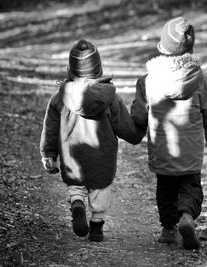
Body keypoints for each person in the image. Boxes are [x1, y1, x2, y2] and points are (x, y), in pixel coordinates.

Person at [131, 17, 207, 250]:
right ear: (190, 49)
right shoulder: (202, 82)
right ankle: (187, 217)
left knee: (166, 188)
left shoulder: (147, 82)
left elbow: (140, 116)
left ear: (162, 49)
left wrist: (133, 130)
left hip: (162, 151)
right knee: (190, 187)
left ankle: (168, 229)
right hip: (190, 153)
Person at [40, 39, 144, 242]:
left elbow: (51, 128)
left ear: (71, 69)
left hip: (72, 159)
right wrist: (139, 128)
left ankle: (77, 202)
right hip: (102, 160)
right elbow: (126, 128)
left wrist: (48, 153)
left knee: (75, 186)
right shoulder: (111, 99)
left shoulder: (59, 98)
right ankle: (96, 227)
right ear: (98, 68)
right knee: (100, 190)